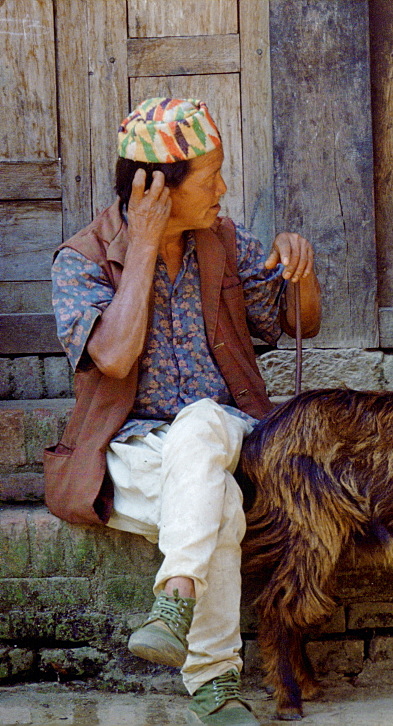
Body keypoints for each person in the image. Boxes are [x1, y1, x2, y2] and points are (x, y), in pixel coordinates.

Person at [45, 98, 322, 725]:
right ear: (157, 191)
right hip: (130, 454)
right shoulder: (81, 261)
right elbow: (113, 357)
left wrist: (299, 271)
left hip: (229, 432)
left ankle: (174, 603)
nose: (224, 189)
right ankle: (213, 686)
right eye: (211, 177)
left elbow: (298, 321)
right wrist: (143, 249)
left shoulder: (225, 241)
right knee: (216, 502)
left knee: (200, 423)